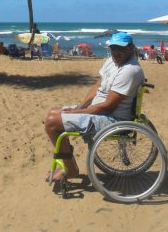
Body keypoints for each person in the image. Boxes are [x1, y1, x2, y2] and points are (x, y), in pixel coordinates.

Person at [44, 32, 145, 181]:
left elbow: (107, 107)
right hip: (101, 111)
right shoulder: (112, 61)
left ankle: (71, 169)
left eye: (121, 48)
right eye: (113, 48)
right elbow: (99, 85)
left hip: (112, 120)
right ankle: (67, 159)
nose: (116, 52)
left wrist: (77, 112)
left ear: (131, 48)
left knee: (52, 123)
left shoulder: (129, 70)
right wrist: (80, 106)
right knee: (53, 112)